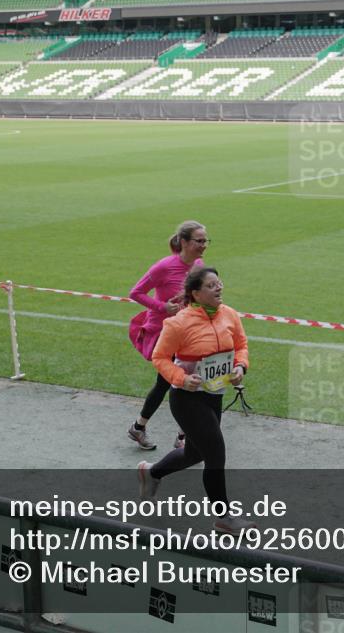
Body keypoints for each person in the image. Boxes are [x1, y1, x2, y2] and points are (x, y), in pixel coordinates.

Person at [138, 266, 255, 534]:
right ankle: (223, 518)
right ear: (195, 293)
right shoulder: (178, 322)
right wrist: (180, 378)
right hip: (187, 398)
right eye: (211, 285)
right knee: (215, 452)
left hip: (215, 394)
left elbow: (241, 346)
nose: (219, 288)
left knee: (195, 453)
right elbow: (160, 357)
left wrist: (240, 367)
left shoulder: (230, 315)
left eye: (219, 283)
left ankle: (152, 472)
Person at [127, 221, 209, 450]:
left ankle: (140, 428)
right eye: (199, 241)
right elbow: (135, 293)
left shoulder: (198, 265)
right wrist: (163, 307)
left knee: (172, 383)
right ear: (184, 242)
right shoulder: (164, 267)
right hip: (163, 333)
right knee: (176, 382)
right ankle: (182, 437)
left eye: (205, 241)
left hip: (186, 332)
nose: (204, 246)